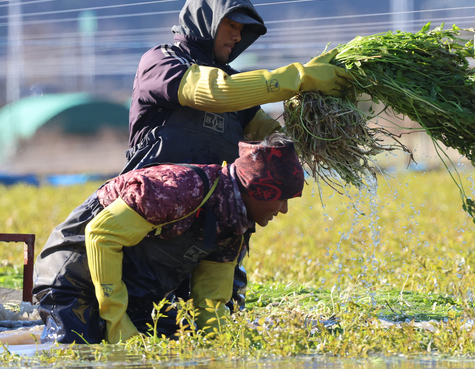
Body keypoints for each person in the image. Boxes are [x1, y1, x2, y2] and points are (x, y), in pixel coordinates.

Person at [33, 0, 348, 318]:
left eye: (243, 29)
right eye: (231, 24)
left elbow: (281, 143)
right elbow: (216, 92)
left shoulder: (240, 97)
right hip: (141, 223)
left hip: (197, 238)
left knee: (205, 323)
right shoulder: (162, 64)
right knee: (92, 329)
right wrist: (300, 77)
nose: (237, 35)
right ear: (208, 19)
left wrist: (328, 113)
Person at [33, 133, 305, 344]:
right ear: (259, 191)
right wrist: (116, 319)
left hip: (130, 293)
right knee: (74, 349)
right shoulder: (181, 188)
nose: (283, 210)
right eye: (282, 199)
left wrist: (229, 349)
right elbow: (101, 236)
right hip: (73, 278)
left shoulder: (234, 227)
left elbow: (210, 304)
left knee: (176, 342)